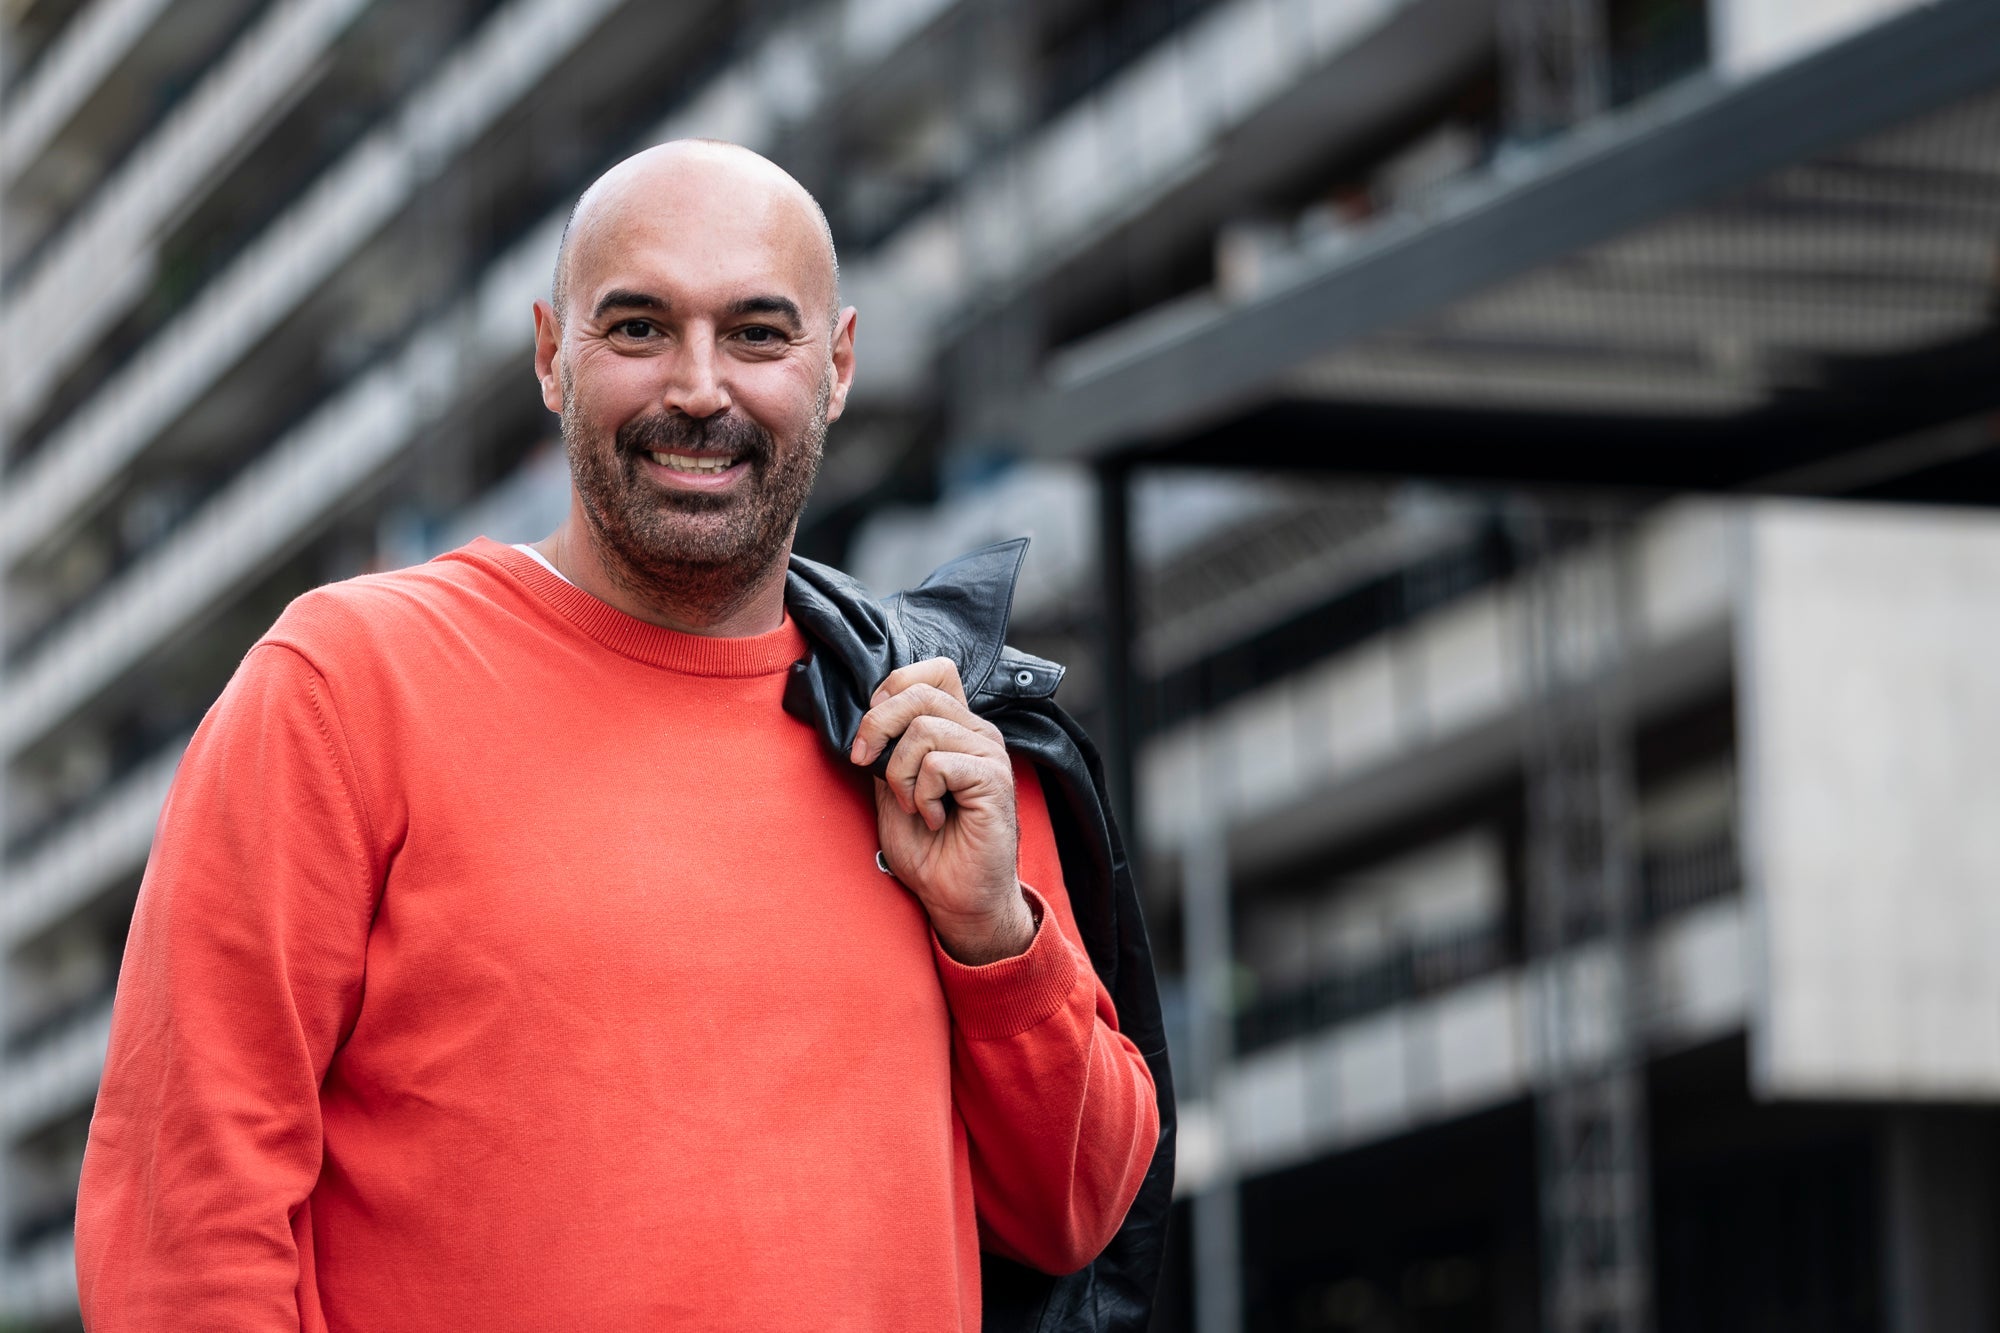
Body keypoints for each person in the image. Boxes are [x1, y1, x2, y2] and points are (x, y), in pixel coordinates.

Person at [74, 141, 1162, 1331]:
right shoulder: (344, 684)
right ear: (551, 354)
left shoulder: (925, 725)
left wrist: (991, 930)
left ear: (838, 364)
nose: (699, 388)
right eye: (638, 328)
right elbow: (185, 1223)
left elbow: (1079, 1210)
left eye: (757, 333)